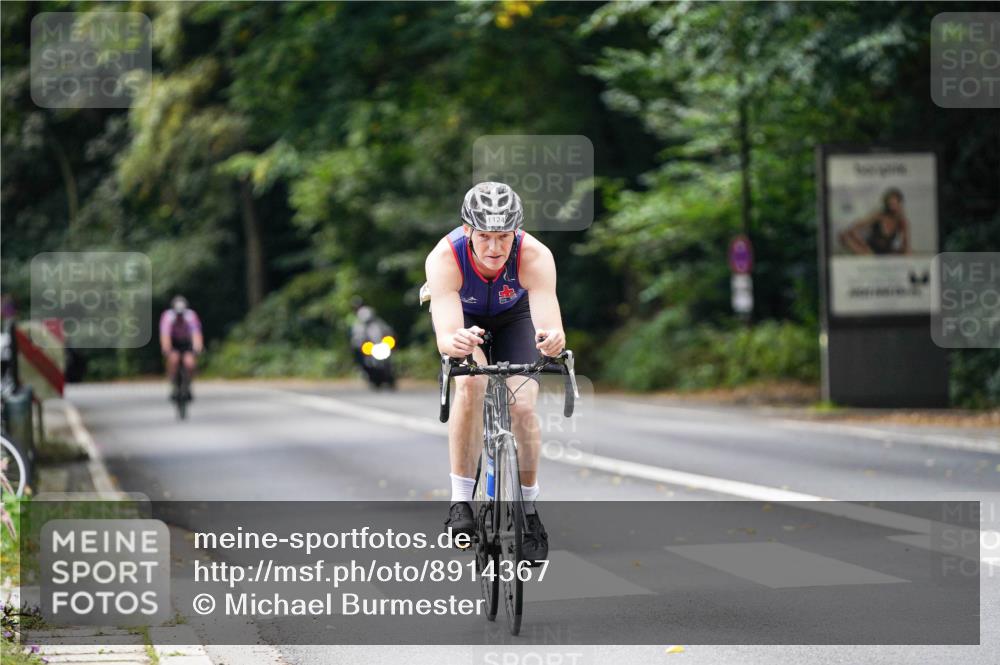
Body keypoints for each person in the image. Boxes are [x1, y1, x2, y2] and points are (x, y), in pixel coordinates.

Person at [423, 182, 566, 562]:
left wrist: (552, 341)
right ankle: (460, 504)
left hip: (516, 318)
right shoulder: (445, 258)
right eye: (484, 236)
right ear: (468, 231)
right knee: (470, 383)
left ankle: (530, 513)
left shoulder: (534, 255)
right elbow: (447, 334)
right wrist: (455, 343)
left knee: (522, 409)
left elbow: (550, 323)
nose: (493, 248)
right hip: (464, 319)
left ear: (515, 232)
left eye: (503, 236)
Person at [839, 187, 911, 256]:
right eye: (890, 204)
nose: (893, 206)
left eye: (895, 204)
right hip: (870, 250)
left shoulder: (902, 221)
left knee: (908, 253)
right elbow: (854, 227)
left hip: (886, 252)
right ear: (886, 204)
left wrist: (904, 252)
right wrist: (863, 244)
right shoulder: (879, 215)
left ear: (900, 204)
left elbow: (905, 245)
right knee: (844, 236)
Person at [159, 296, 203, 400]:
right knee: (173, 360)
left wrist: (198, 346)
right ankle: (173, 383)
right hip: (174, 341)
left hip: (186, 342)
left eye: (181, 314)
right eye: (177, 314)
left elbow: (196, 333)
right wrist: (166, 348)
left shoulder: (191, 316)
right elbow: (165, 335)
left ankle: (188, 384)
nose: (179, 316)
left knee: (190, 364)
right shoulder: (168, 317)